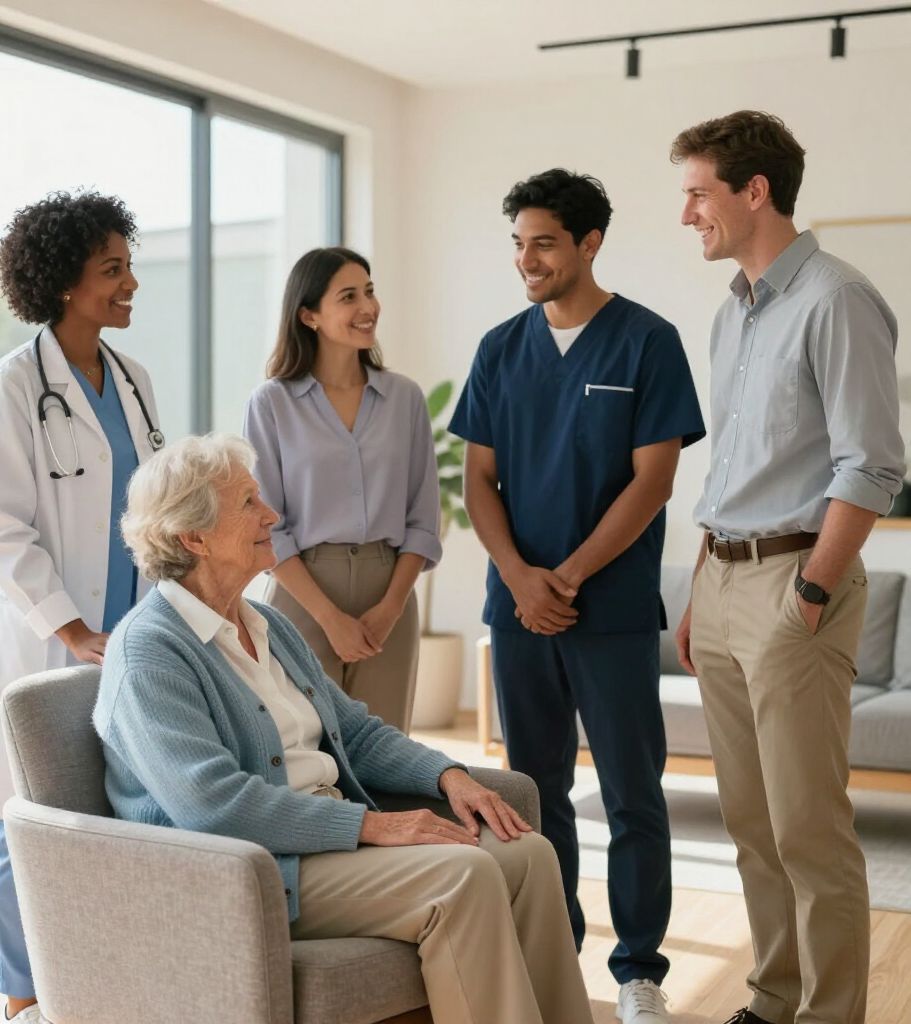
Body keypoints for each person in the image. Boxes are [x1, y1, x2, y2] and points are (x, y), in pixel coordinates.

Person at [92, 432, 594, 1024]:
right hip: (250, 871)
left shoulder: (265, 622)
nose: (272, 515)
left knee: (529, 854)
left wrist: (448, 775)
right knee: (465, 876)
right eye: (248, 503)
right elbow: (213, 805)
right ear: (193, 537)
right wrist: (373, 826)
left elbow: (353, 733)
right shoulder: (150, 652)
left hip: (321, 842)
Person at [450, 169, 705, 1024]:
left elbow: (654, 480)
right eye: (519, 243)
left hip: (613, 610)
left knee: (634, 792)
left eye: (545, 242)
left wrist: (570, 576)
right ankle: (553, 953)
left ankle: (638, 974)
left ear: (590, 243)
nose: (527, 259)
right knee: (533, 794)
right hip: (520, 611)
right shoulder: (499, 348)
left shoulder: (646, 341)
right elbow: (478, 479)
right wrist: (523, 578)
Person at [671, 111, 905, 1024]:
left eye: (698, 193)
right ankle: (774, 999)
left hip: (793, 582)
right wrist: (700, 586)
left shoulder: (838, 299)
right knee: (751, 825)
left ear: (753, 191)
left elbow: (873, 467)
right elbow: (730, 467)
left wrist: (809, 591)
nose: (687, 213)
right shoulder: (733, 311)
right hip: (724, 580)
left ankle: (831, 1014)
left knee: (808, 827)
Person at [0, 192, 162, 1024]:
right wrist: (73, 630)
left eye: (127, 265)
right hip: (52, 639)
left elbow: (147, 509)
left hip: (127, 633)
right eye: (113, 269)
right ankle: (24, 994)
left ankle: (100, 980)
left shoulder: (133, 381)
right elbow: (1, 531)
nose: (130, 282)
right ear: (66, 284)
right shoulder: (8, 389)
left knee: (115, 810)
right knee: (26, 818)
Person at [243, 247, 441, 732]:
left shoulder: (404, 398)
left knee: (389, 750)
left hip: (389, 588)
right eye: (349, 296)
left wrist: (391, 608)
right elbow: (268, 525)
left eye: (370, 292)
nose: (367, 307)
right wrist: (330, 618)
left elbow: (423, 517)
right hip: (303, 593)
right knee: (306, 748)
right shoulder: (272, 404)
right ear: (309, 315)